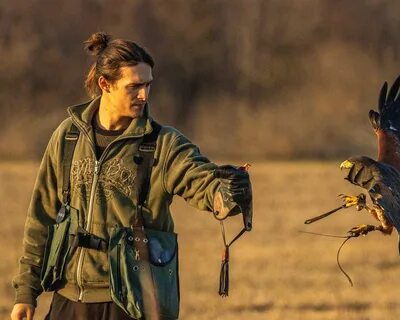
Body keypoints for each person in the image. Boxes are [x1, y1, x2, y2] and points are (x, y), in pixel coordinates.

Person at [11, 32, 252, 320]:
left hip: (132, 301)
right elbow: (41, 218)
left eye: (148, 85)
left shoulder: (163, 143)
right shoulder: (68, 137)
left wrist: (224, 193)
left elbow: (199, 178)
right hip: (68, 298)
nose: (144, 95)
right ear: (105, 84)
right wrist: (27, 292)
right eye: (134, 86)